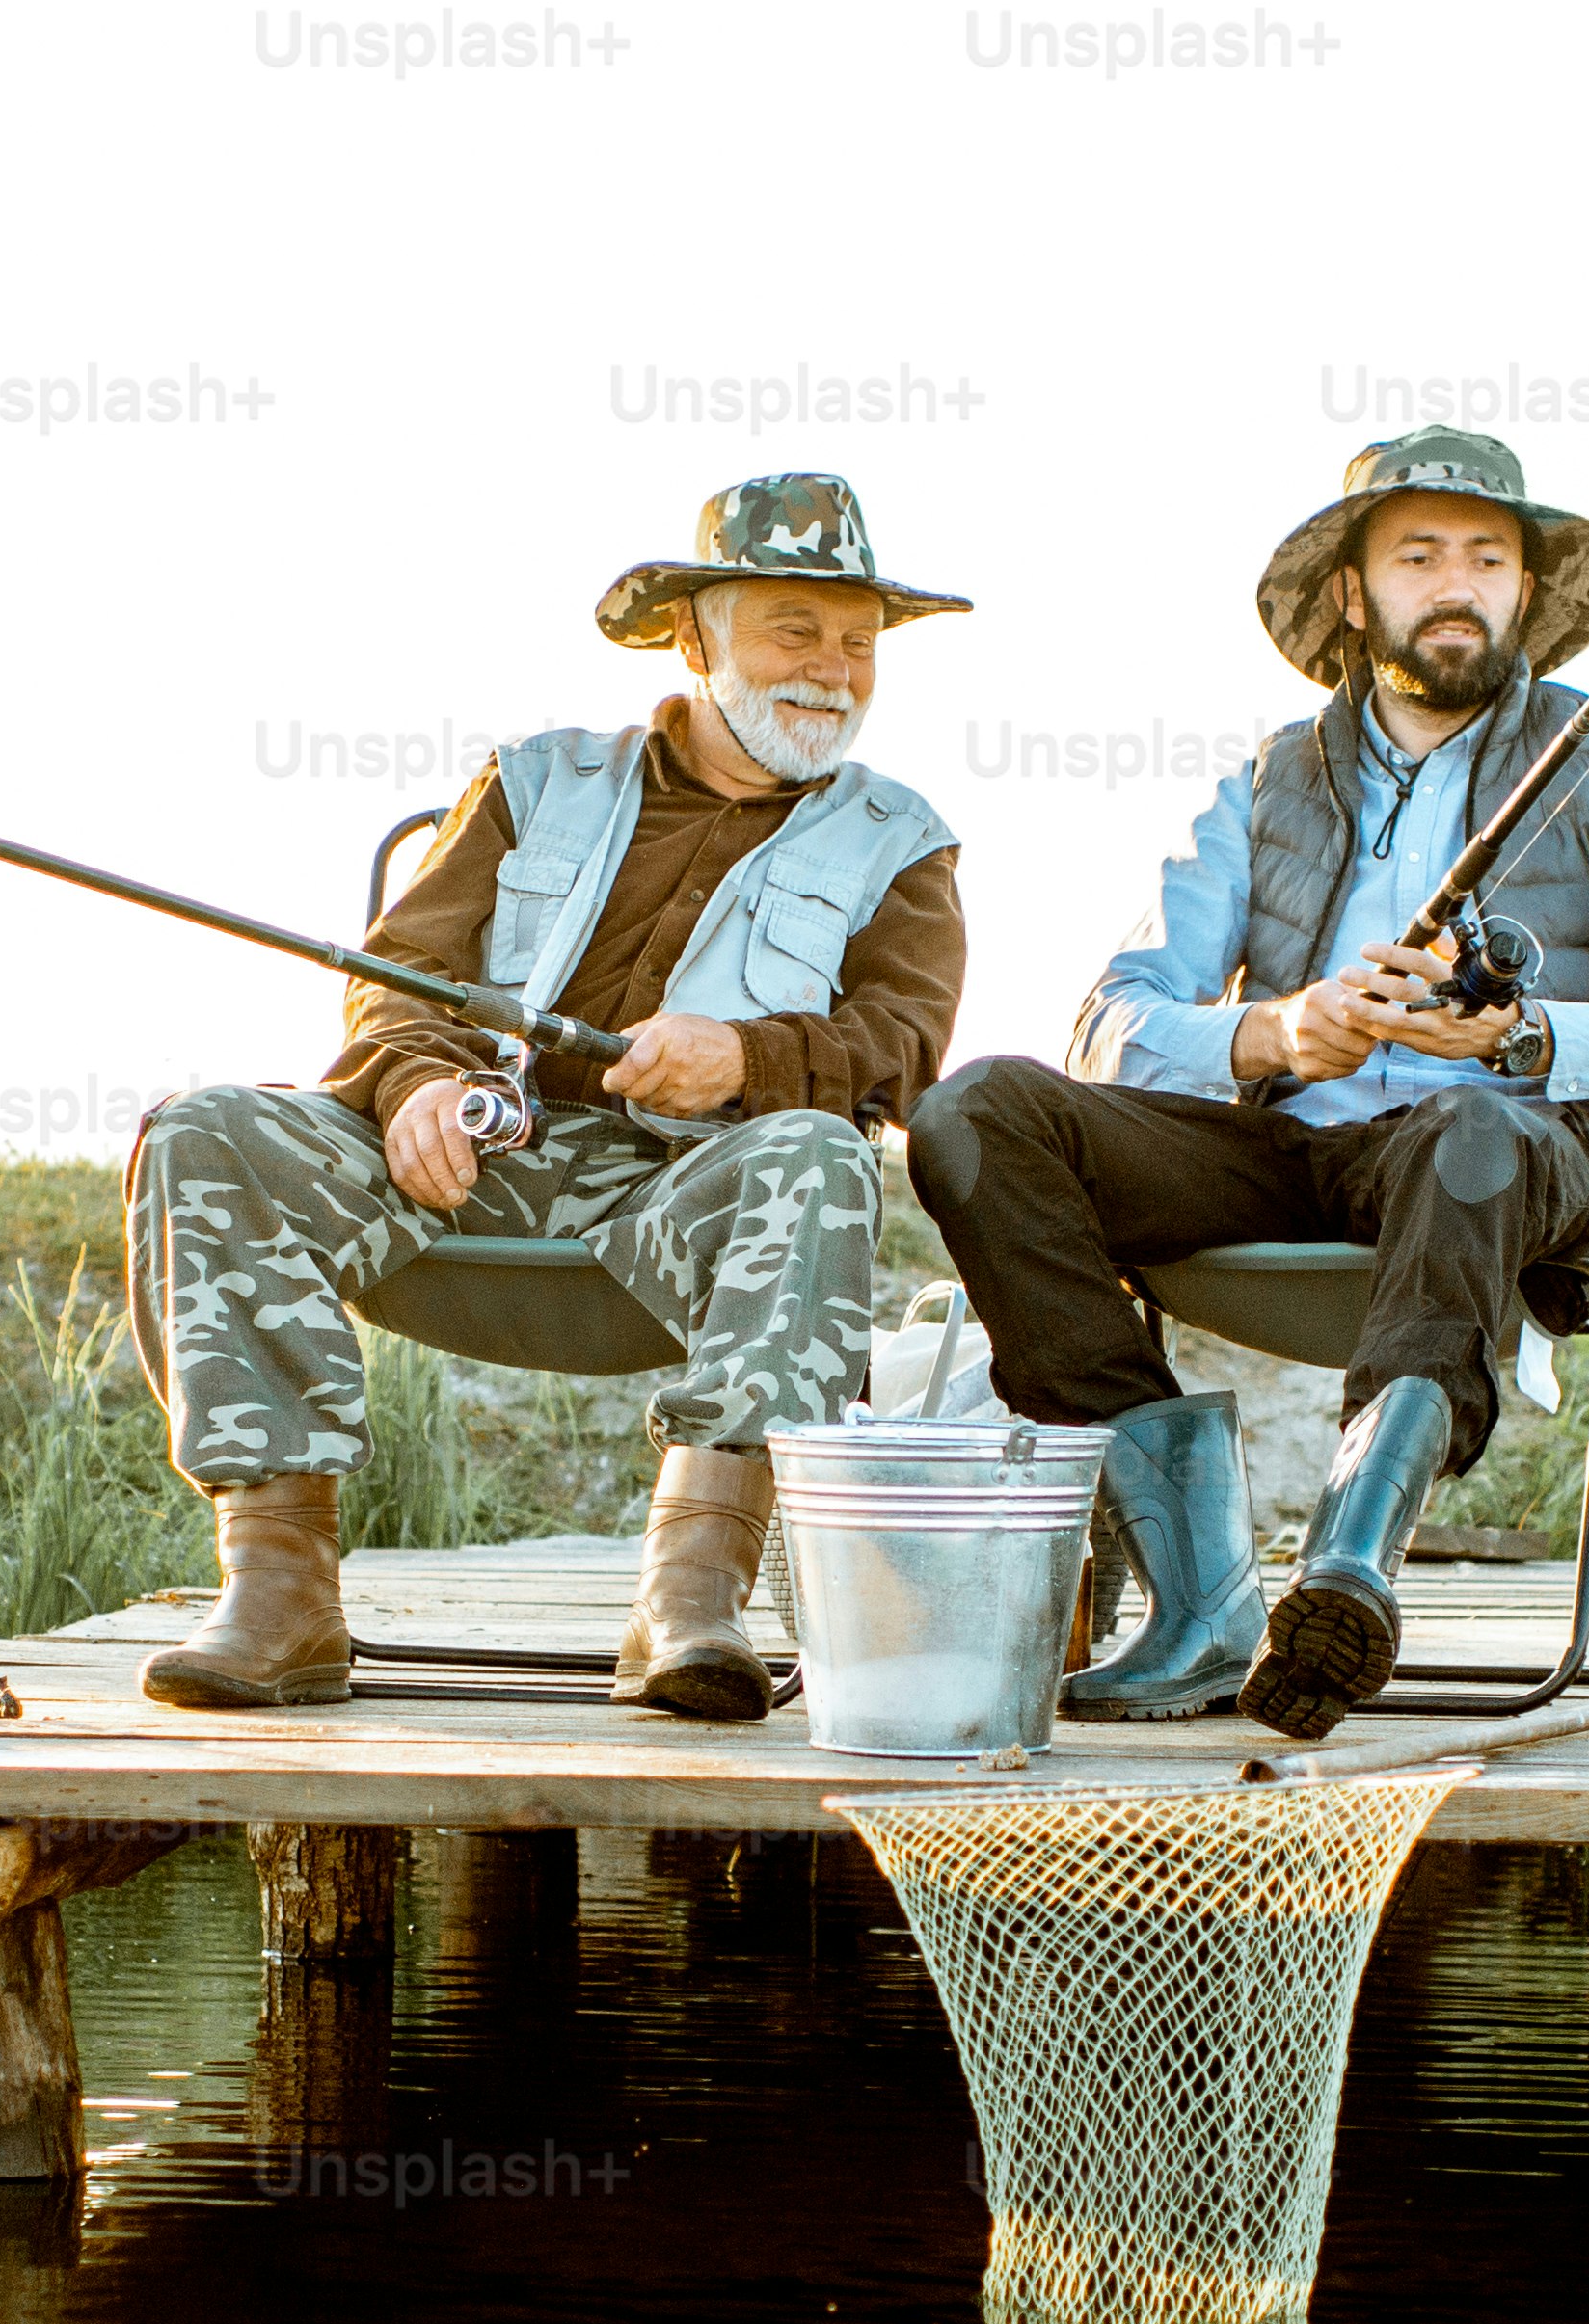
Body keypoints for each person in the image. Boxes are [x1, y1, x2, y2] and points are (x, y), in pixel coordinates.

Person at [904, 426, 1589, 1738]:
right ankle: (1203, 1594)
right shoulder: (1264, 780)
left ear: (1525, 591)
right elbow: (1108, 1022)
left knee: (1470, 1127)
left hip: (1514, 1152)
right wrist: (1280, 1035)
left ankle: (1349, 1567)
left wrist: (1518, 1041)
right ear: (1355, 594)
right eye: (1418, 556)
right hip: (1295, 1152)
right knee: (974, 1116)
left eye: (1488, 558)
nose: (1456, 584)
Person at [127, 472, 970, 1720]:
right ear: (697, 637)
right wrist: (414, 1082)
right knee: (202, 1128)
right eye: (796, 628)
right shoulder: (534, 778)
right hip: (462, 1168)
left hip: (691, 1191)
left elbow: (903, 1043)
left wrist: (745, 1061)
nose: (834, 669)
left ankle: (689, 1602)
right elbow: (398, 973)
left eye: (859, 642)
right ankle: (280, 1594)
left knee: (817, 1155)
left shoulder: (905, 837)